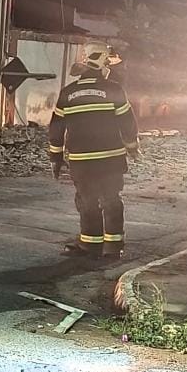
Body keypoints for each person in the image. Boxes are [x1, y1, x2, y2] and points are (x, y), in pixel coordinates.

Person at [48, 42, 139, 260]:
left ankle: (90, 245)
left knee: (87, 200)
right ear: (102, 64)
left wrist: (56, 158)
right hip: (111, 159)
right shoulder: (114, 90)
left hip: (82, 161)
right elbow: (127, 122)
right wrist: (132, 147)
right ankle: (113, 247)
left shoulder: (68, 93)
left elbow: (56, 127)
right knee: (111, 200)